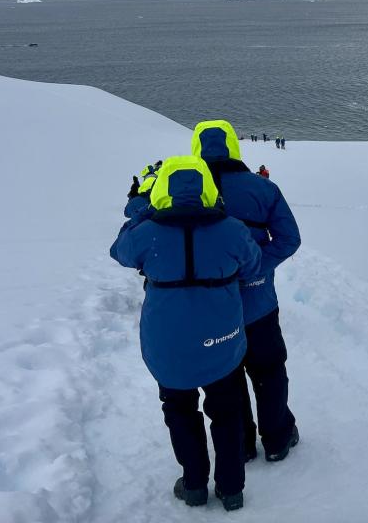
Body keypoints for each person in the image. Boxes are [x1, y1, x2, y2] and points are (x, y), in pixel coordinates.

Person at [110, 156, 261, 511]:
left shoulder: (147, 233)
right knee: (226, 410)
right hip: (221, 337)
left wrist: (147, 211)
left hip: (168, 342)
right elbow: (253, 263)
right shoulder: (232, 229)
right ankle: (231, 488)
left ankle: (194, 483)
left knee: (179, 409)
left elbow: (119, 251)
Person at [193, 121, 301, 465]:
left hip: (210, 307)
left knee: (227, 377)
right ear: (234, 147)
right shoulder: (262, 188)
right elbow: (289, 239)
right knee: (269, 370)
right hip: (259, 304)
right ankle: (277, 438)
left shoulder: (186, 193)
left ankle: (240, 444)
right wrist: (256, 266)